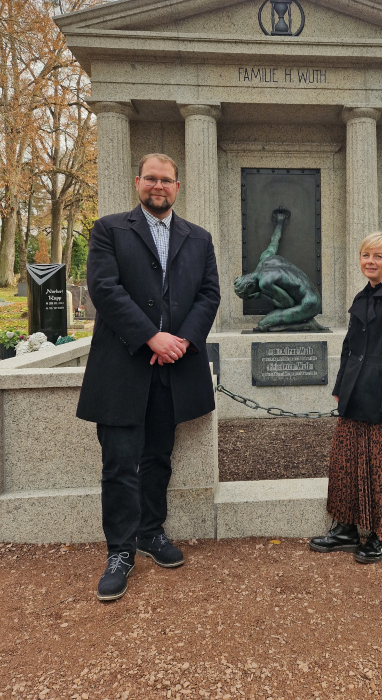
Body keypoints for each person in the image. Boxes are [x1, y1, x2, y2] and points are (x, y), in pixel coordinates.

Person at [77, 153, 220, 602]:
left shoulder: (198, 238)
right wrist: (152, 338)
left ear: (178, 187)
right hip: (124, 367)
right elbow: (105, 289)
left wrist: (180, 341)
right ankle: (119, 551)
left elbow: (209, 293)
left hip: (173, 369)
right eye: (151, 179)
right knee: (120, 463)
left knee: (158, 456)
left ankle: (150, 532)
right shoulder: (110, 230)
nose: (159, 186)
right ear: (138, 182)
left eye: (167, 180)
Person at [310, 232, 382, 563]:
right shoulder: (362, 296)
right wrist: (340, 387)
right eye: (365, 256)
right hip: (355, 392)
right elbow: (349, 347)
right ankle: (345, 529)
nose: (370, 262)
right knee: (345, 462)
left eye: (378, 256)